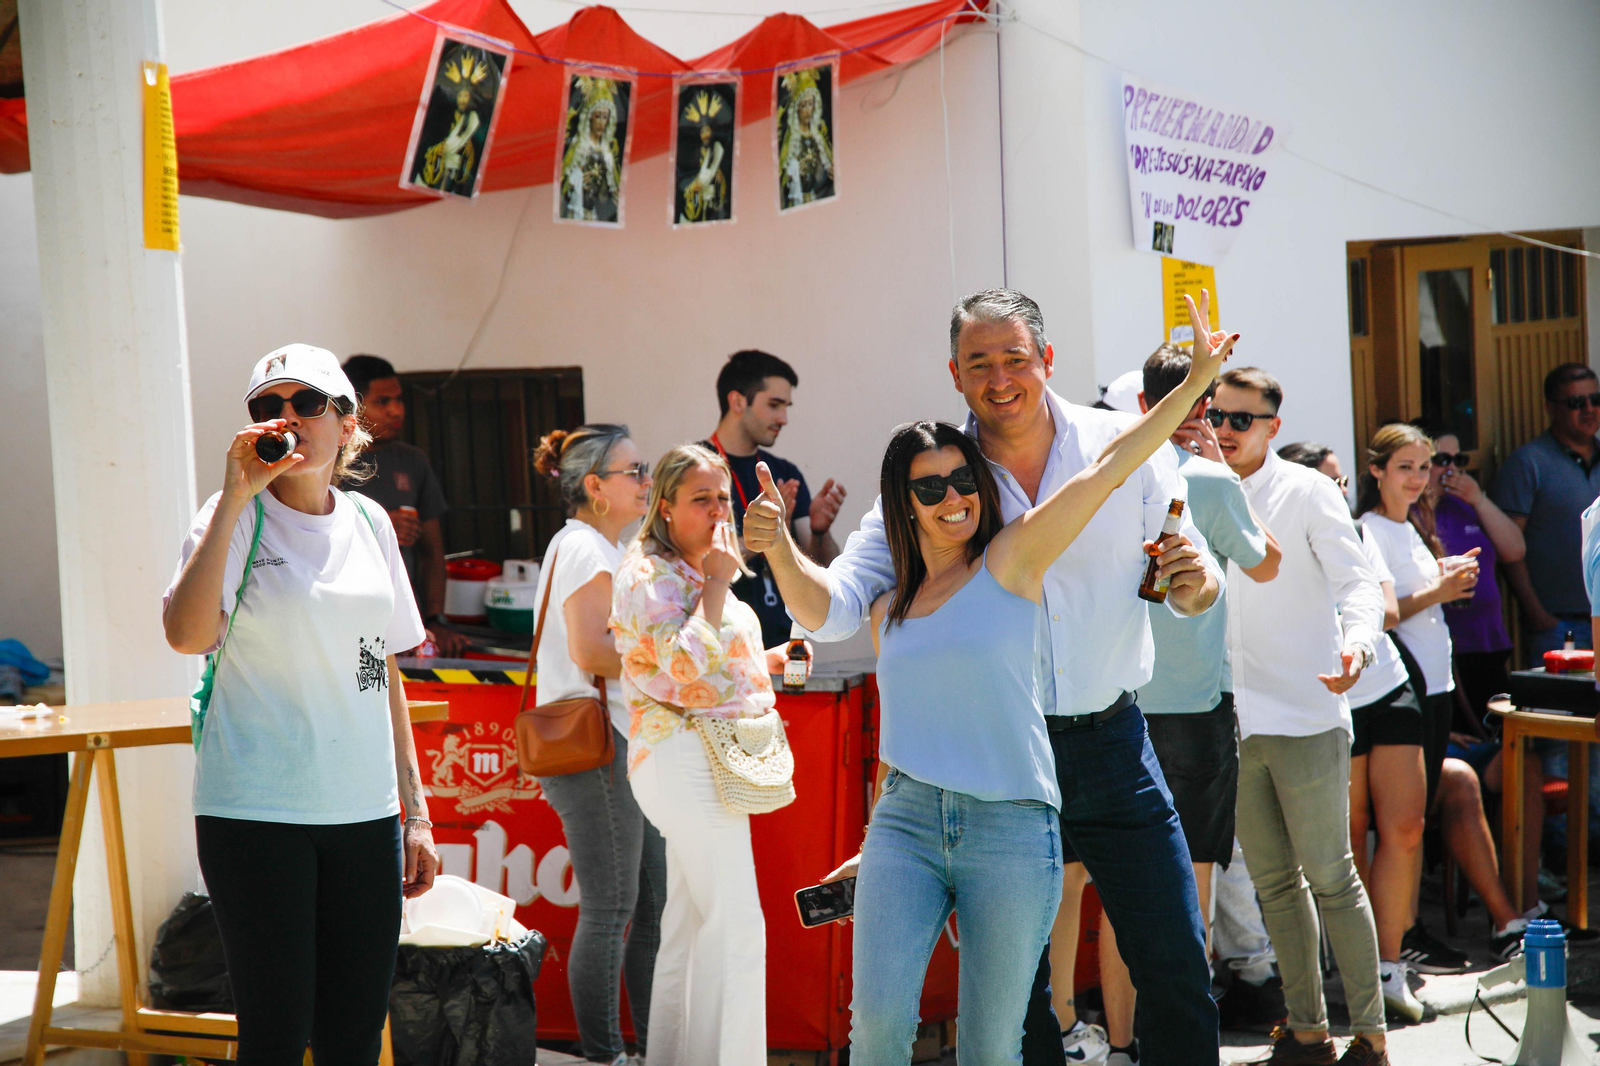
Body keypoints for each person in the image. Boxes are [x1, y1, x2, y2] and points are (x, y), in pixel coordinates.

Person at [748, 289, 1228, 1066]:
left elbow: (1195, 575)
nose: (1000, 378)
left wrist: (1193, 580)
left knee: (1175, 963)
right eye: (980, 363)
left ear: (1047, 359)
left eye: (1015, 358)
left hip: (1111, 743)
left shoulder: (1124, 444)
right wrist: (776, 545)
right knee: (1017, 1003)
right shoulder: (937, 477)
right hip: (996, 765)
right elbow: (835, 608)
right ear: (955, 373)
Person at [162, 344, 438, 1065]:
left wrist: (415, 811)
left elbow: (375, 669)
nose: (286, 418)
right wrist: (234, 499)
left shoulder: (372, 525)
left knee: (352, 1035)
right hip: (256, 812)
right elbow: (186, 634)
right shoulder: (231, 517)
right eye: (267, 407)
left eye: (306, 403)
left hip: (362, 813)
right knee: (277, 1036)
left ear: (348, 425)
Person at [1090, 345, 1282, 1063]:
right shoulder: (1208, 475)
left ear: (1143, 402)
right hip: (1195, 710)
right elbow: (1266, 562)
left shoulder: (1108, 470)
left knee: (1117, 891)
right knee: (1186, 888)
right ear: (1203, 405)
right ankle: (1184, 1045)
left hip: (1113, 701)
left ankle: (1117, 1045)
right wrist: (1228, 479)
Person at [609, 444, 811, 1066]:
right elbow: (683, 664)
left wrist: (772, 662)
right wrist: (722, 579)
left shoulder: (695, 569)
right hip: (683, 756)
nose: (718, 509)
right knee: (737, 926)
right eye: (702, 498)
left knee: (694, 922)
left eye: (723, 497)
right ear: (665, 506)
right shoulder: (651, 573)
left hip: (692, 757)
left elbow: (709, 665)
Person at [1210, 367, 1390, 1065]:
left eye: (1241, 420)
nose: (1225, 430)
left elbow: (1359, 586)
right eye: (1219, 416)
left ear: (1272, 428)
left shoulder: (1308, 490)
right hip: (1232, 719)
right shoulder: (1196, 488)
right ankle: (1308, 1032)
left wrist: (1357, 645)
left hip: (1307, 709)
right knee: (1272, 885)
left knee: (1331, 877)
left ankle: (1370, 1036)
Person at [529, 425, 666, 1066]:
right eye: (634, 471)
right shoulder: (585, 548)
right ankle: (606, 1054)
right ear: (594, 487)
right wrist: (672, 657)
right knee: (614, 910)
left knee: (642, 907)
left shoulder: (591, 545)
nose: (645, 481)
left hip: (615, 746)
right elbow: (590, 651)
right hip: (598, 748)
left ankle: (640, 1049)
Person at [702, 349, 847, 648]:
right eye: (774, 405)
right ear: (737, 401)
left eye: (786, 406)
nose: (784, 418)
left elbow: (827, 572)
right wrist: (765, 538)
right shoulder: (695, 470)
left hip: (786, 650)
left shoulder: (784, 472)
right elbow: (687, 564)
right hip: (719, 650)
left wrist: (819, 532)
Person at [339, 354, 464, 656]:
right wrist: (378, 526)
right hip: (345, 626)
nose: (397, 410)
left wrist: (435, 619)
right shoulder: (326, 461)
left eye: (399, 399)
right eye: (383, 401)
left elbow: (433, 553)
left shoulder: (413, 461)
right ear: (353, 405)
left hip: (407, 634)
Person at [1492, 363, 1600, 659]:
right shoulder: (1527, 464)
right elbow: (1509, 550)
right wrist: (1536, 613)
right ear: (1551, 408)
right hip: (1558, 625)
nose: (1589, 409)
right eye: (1577, 403)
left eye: (1596, 400)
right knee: (1560, 705)